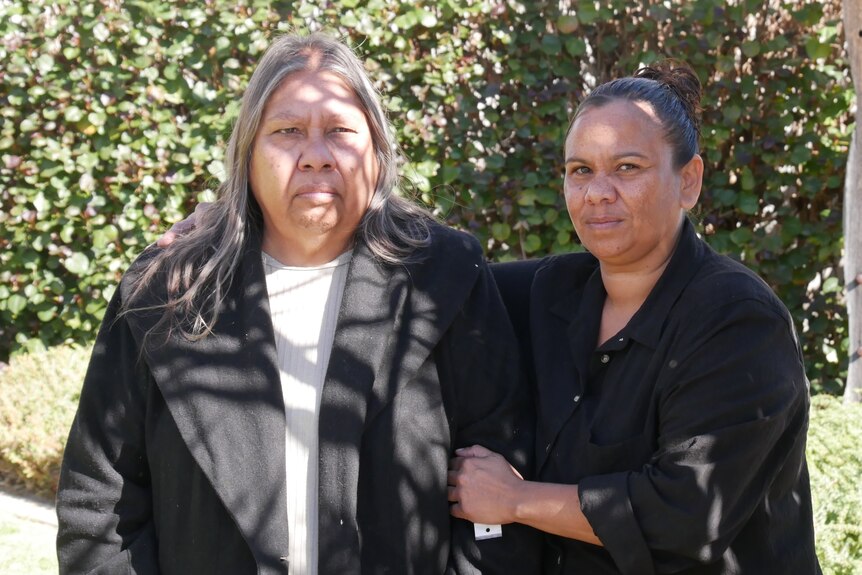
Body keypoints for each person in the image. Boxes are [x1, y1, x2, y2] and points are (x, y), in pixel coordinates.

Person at [56, 32, 541, 574]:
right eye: (288, 132)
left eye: (339, 132)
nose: (316, 157)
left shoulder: (446, 280)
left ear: (376, 152)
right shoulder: (169, 294)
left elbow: (499, 487)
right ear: (248, 152)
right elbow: (100, 503)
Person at [447, 62, 822, 574]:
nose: (598, 192)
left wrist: (515, 499)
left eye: (627, 167)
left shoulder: (738, 321)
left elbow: (687, 513)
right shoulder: (552, 291)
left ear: (688, 182)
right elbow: (449, 284)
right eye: (580, 170)